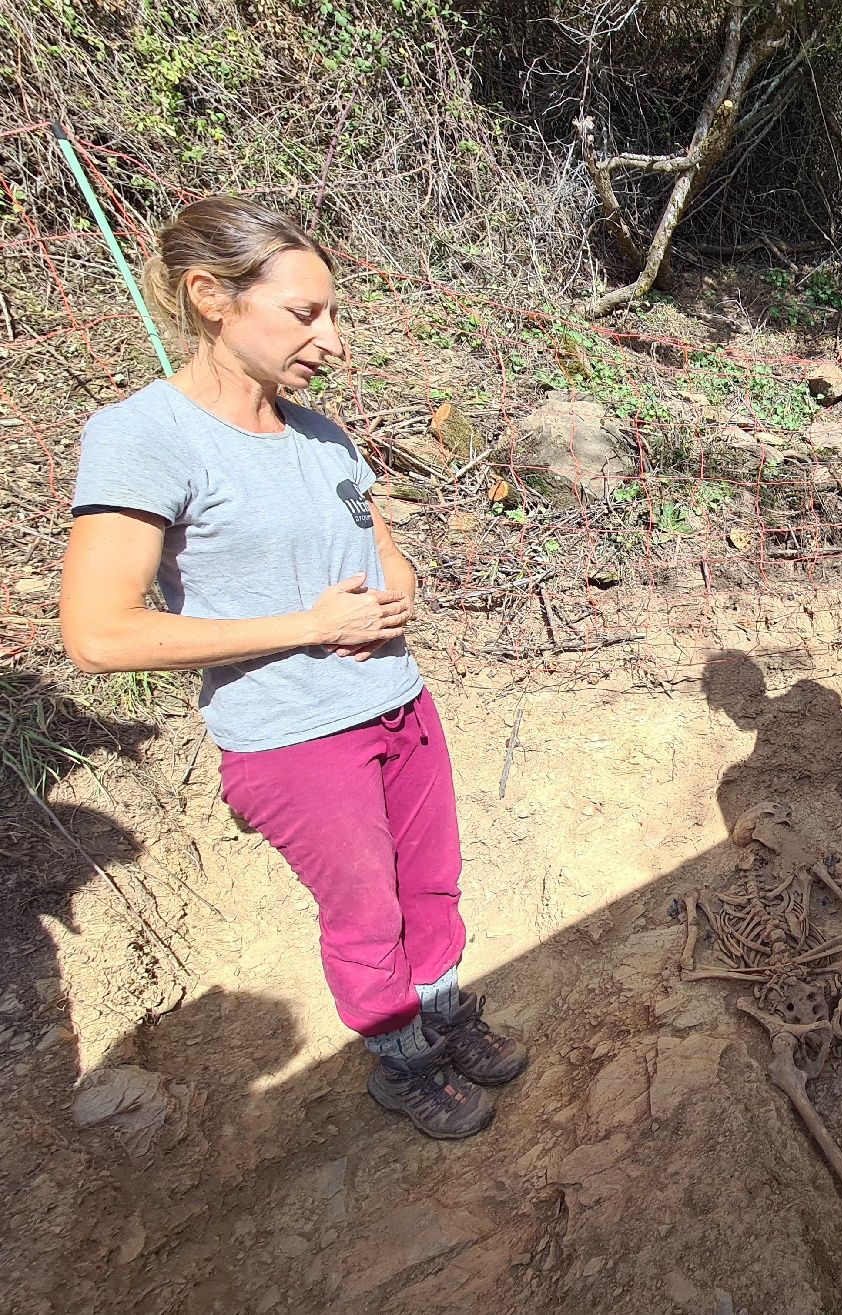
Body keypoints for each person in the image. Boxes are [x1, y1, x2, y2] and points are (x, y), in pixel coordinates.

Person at [59, 197, 527, 1140]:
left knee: (432, 885)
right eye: (306, 315)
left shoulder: (322, 436)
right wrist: (306, 625)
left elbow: (382, 547)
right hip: (296, 737)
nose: (333, 340)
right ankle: (400, 1061)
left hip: (398, 702)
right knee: (365, 912)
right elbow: (98, 632)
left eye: (332, 313)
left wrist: (398, 588)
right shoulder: (146, 437)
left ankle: (442, 1017)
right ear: (210, 297)